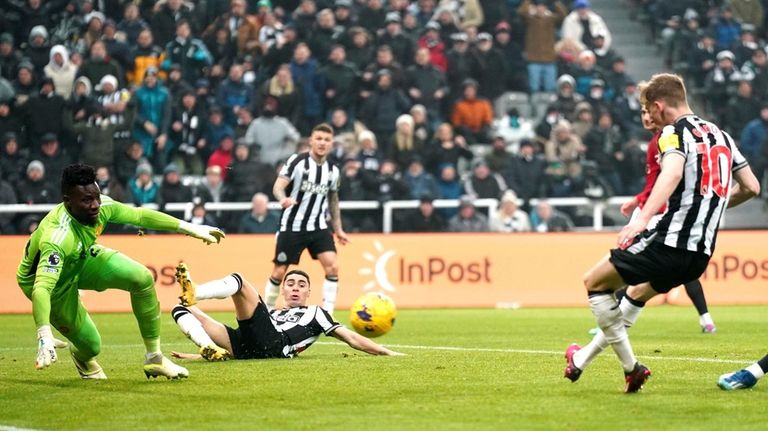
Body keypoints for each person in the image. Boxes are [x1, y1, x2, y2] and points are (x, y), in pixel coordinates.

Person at [563, 73, 760, 393]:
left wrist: (641, 221)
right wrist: (709, 208)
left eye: (647, 109)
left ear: (658, 106)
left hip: (669, 242)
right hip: (700, 255)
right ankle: (582, 359)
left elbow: (672, 172)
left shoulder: (672, 132)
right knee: (636, 294)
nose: (647, 116)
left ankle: (631, 368)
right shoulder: (723, 136)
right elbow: (752, 187)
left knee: (594, 283)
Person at [18, 164, 225, 380]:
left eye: (96, 197)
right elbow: (41, 288)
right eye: (87, 200)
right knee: (92, 347)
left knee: (142, 277)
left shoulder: (101, 205)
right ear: (68, 201)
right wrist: (44, 334)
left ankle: (155, 358)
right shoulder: (58, 237)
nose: (95, 205)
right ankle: (82, 357)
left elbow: (139, 216)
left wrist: (190, 228)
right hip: (55, 285)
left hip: (81, 257)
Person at [170, 264, 401, 361]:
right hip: (247, 347)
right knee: (180, 308)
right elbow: (253, 337)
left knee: (238, 281)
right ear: (283, 290)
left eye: (302, 285)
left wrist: (386, 352)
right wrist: (196, 357)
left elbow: (350, 337)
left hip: (275, 344)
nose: (295, 288)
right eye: (290, 283)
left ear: (309, 291)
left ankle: (196, 291)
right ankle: (207, 347)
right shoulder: (273, 313)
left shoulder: (316, 313)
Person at [264, 124, 348, 314]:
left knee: (333, 267)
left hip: (318, 227)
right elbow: (278, 186)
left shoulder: (333, 170)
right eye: (318, 138)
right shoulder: (297, 161)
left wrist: (338, 229)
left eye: (326, 140)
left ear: (331, 144)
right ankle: (267, 312)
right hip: (292, 225)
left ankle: (328, 314)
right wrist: (282, 198)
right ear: (311, 140)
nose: (322, 143)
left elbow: (333, 200)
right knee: (278, 272)